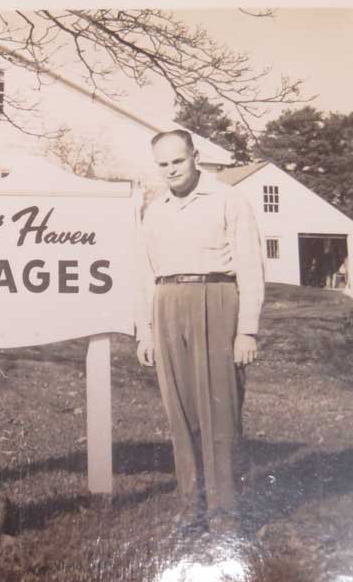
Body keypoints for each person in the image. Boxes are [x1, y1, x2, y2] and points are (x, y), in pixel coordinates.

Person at [135, 130, 264, 534]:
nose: (171, 169)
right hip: (167, 301)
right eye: (163, 164)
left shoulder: (228, 200)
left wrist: (247, 331)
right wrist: (146, 331)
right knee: (181, 412)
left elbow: (251, 269)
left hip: (217, 299)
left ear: (195, 156)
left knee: (219, 411)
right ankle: (190, 506)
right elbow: (144, 272)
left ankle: (224, 514)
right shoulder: (154, 209)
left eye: (178, 160)